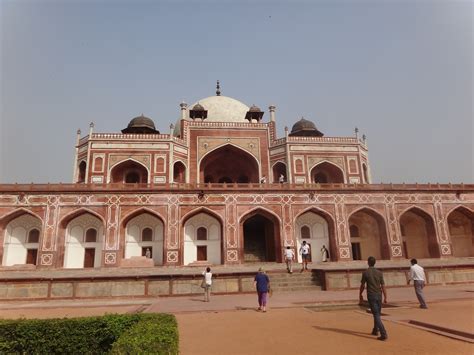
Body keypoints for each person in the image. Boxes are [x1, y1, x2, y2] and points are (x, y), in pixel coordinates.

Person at [359, 256, 388, 341]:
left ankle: (383, 333)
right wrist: (386, 297)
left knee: (376, 314)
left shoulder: (365, 273)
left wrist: (360, 294)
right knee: (377, 313)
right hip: (379, 295)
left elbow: (362, 285)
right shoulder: (379, 273)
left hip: (371, 295)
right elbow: (383, 286)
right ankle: (375, 330)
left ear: (368, 262)